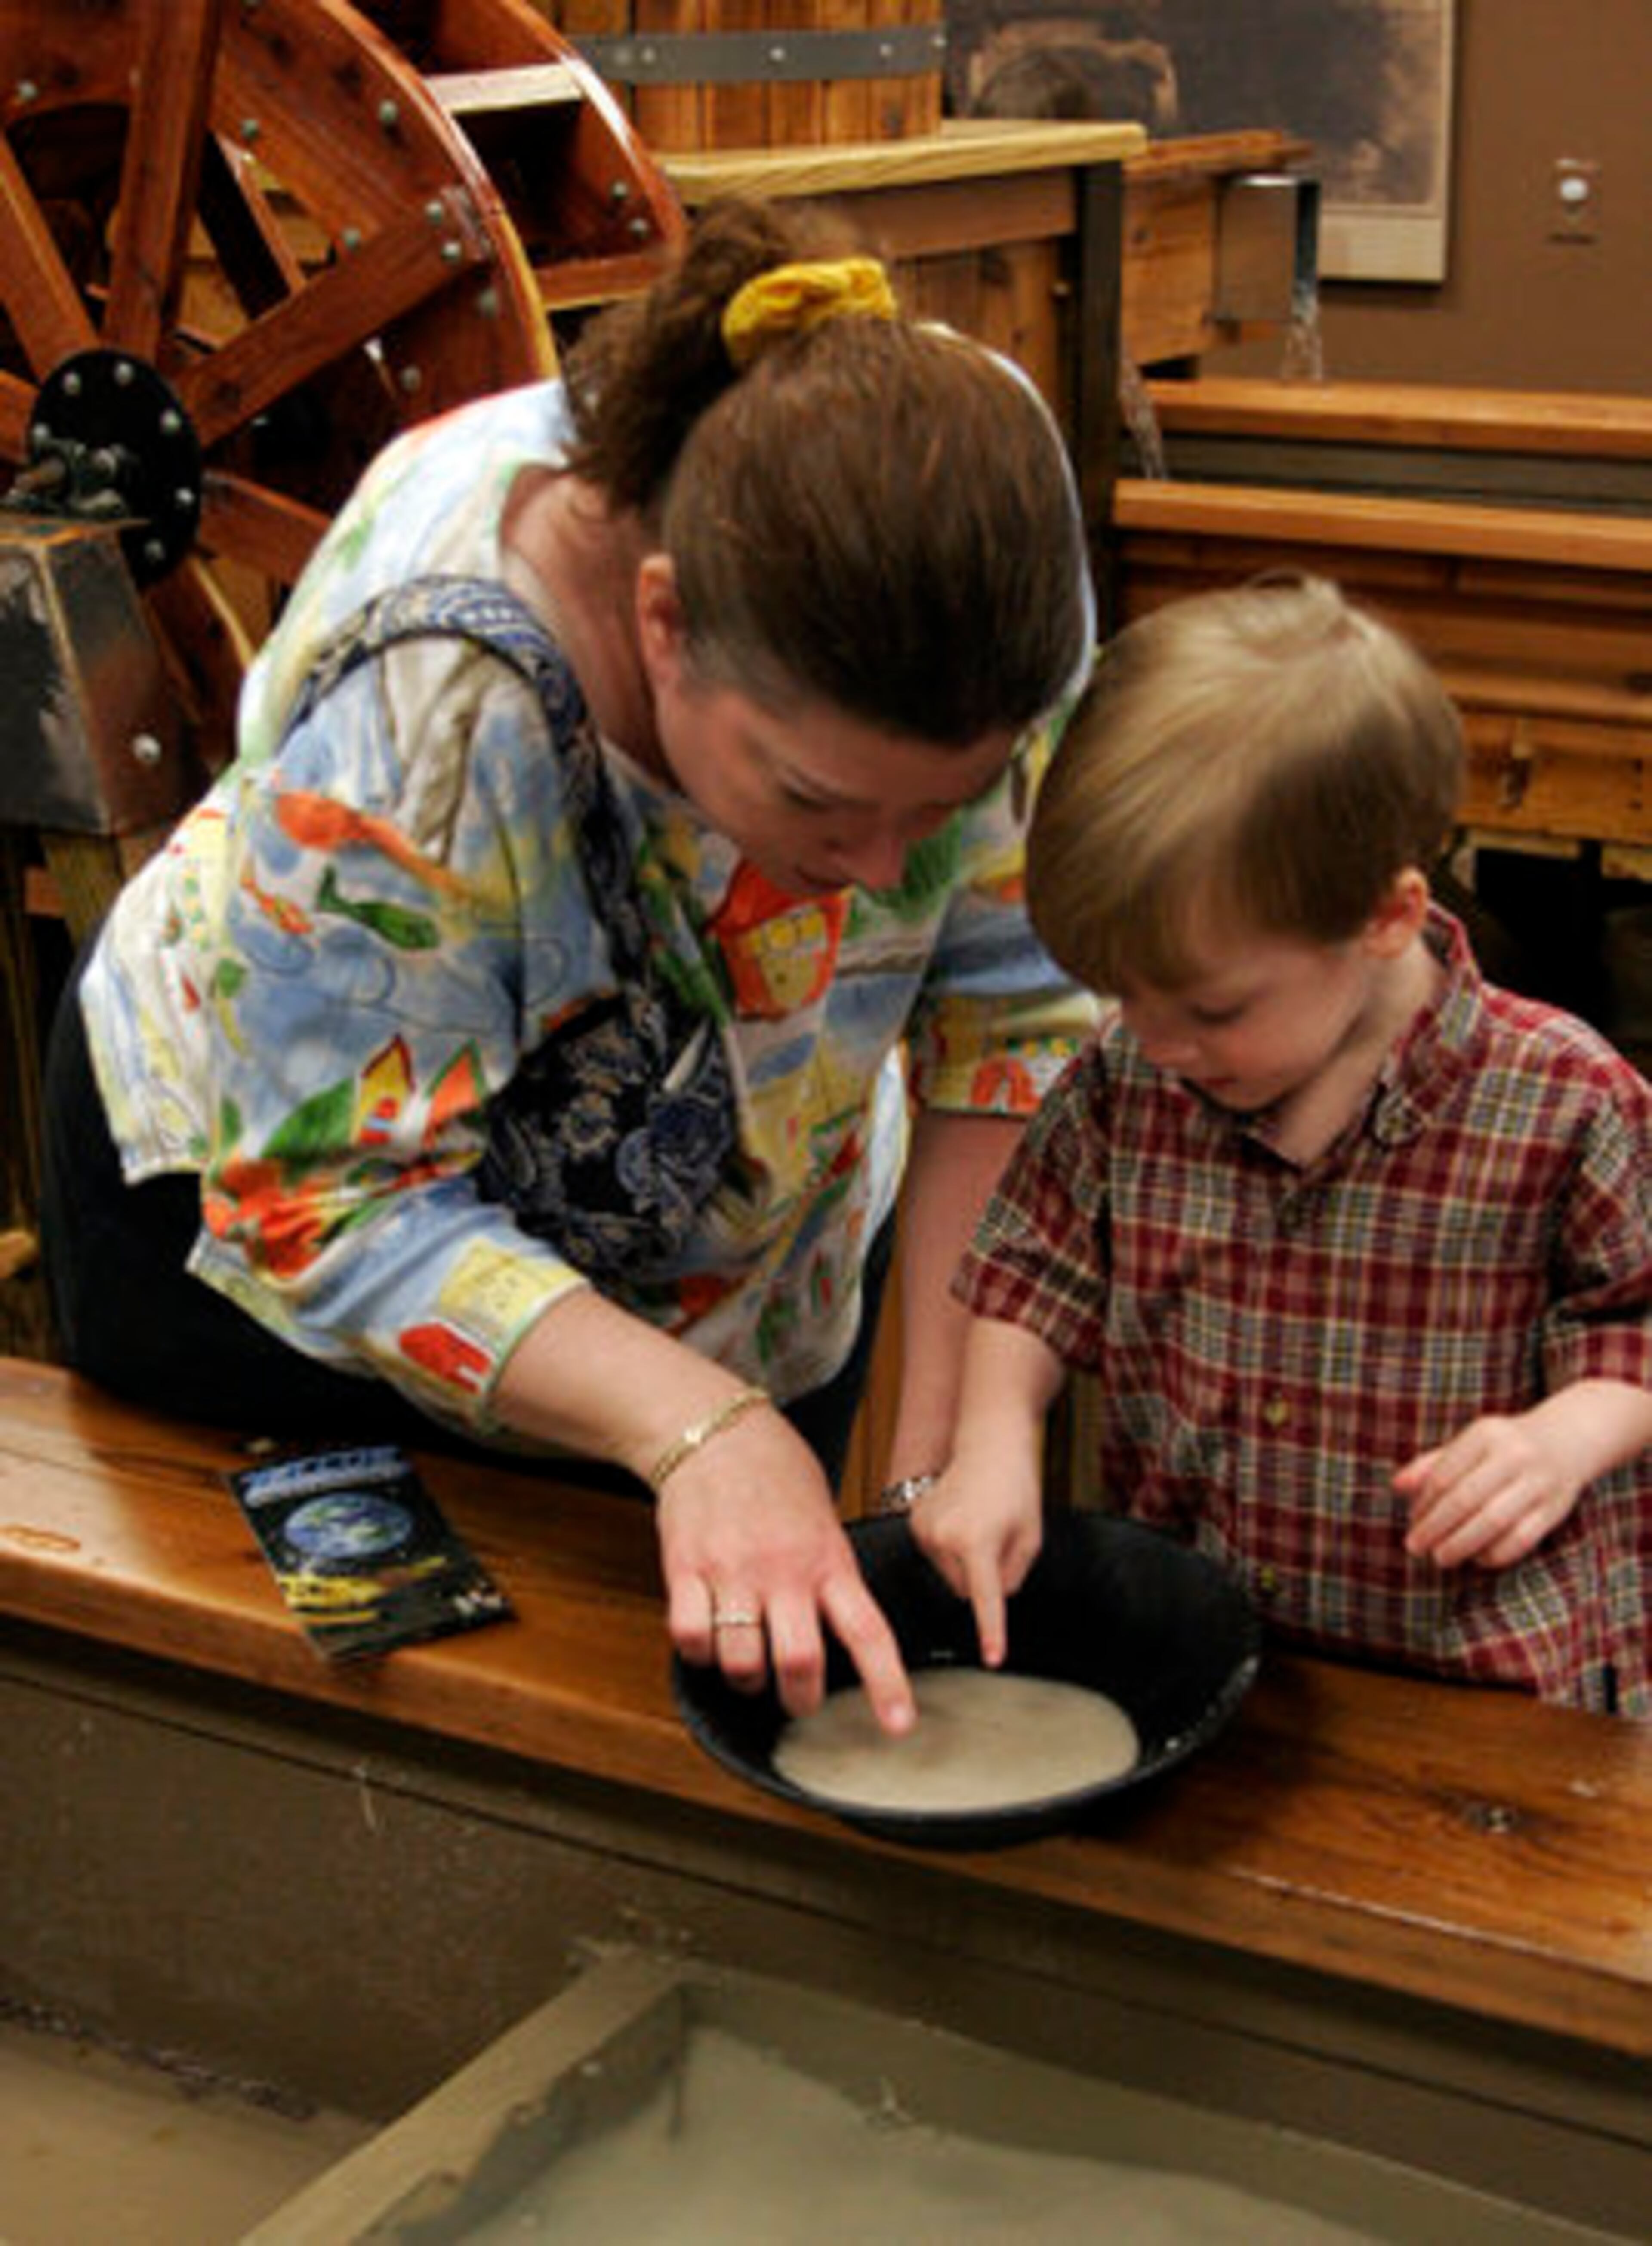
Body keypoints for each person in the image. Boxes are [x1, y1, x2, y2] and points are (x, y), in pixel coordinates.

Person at [40, 199, 1098, 1737]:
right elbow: (327, 1196)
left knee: (730, 1704)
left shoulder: (973, 519)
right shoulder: (434, 700)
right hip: (290, 1238)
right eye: (819, 806)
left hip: (734, 1230)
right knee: (398, 1750)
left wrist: (937, 1453)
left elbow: (1007, 1013)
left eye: (933, 815)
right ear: (662, 622)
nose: (886, 877)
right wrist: (694, 1427)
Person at [909, 576, 1652, 1718]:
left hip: (1484, 1700)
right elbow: (1029, 1270)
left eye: (1210, 1012)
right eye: (1124, 1001)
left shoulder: (1566, 1102)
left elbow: (1635, 1326)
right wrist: (994, 1436)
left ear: (1387, 916)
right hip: (1216, 1666)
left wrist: (1561, 1442)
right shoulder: (1130, 1083)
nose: (1157, 1047)